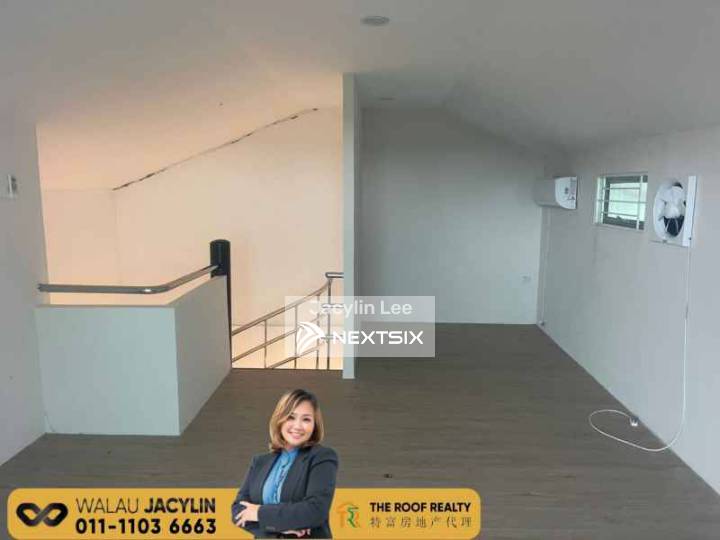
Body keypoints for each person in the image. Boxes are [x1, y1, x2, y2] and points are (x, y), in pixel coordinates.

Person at [231, 389, 338, 538]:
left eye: (306, 419)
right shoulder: (260, 462)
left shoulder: (322, 457)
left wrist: (259, 512)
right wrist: (280, 527)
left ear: (315, 425)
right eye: (291, 417)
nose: (298, 426)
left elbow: (315, 511)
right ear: (279, 419)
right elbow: (238, 510)